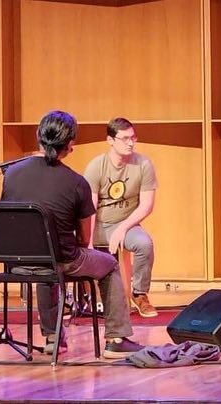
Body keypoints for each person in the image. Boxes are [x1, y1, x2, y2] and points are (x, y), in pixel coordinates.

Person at [1, 110, 144, 359]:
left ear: (39, 137)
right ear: (70, 144)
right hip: (60, 261)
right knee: (109, 264)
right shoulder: (76, 182)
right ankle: (116, 338)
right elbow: (82, 238)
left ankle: (53, 337)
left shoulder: (11, 173)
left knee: (45, 261)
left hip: (17, 262)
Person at [83, 117, 158, 317]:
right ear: (110, 140)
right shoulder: (96, 166)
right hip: (98, 224)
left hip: (127, 224)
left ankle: (139, 293)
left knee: (145, 244)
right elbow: (89, 208)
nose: (130, 143)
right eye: (124, 138)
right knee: (85, 252)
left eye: (133, 138)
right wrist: (88, 242)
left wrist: (123, 228)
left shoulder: (143, 164)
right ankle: (93, 301)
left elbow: (146, 206)